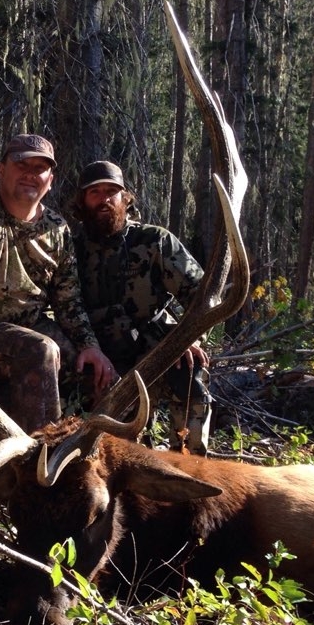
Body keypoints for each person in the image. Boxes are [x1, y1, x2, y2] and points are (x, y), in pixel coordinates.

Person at [0, 135, 117, 433]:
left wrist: (90, 347)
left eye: (40, 168)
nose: (31, 173)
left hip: (26, 331)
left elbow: (68, 300)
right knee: (40, 350)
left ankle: (98, 449)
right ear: (2, 169)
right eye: (22, 164)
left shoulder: (57, 229)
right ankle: (41, 458)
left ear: (51, 179)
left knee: (98, 375)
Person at [70, 160, 213, 454]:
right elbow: (61, 306)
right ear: (82, 201)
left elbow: (203, 297)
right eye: (94, 192)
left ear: (126, 198)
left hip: (155, 347)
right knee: (114, 441)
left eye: (112, 191)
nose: (104, 199)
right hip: (99, 355)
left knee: (189, 372)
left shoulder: (155, 242)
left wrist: (188, 339)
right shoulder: (70, 249)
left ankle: (191, 466)